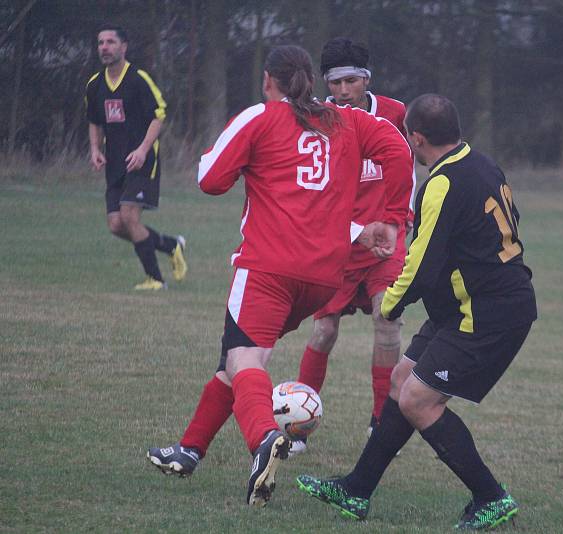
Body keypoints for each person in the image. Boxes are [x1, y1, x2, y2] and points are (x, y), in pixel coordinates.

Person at [146, 45, 412, 507]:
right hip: (323, 276)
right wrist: (391, 217)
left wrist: (246, 163)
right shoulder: (346, 120)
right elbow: (397, 150)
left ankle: (264, 438)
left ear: (268, 80)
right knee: (235, 358)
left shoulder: (263, 116)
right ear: (315, 79)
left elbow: (208, 179)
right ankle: (188, 450)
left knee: (244, 361)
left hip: (268, 267)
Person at [296, 94, 537, 530]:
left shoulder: (440, 185)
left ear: (416, 138)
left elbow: (421, 265)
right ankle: (356, 490)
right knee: (401, 381)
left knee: (419, 400)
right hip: (465, 307)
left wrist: (388, 304)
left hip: (487, 313)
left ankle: (491, 496)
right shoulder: (482, 163)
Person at [293, 38, 416, 454]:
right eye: (335, 83)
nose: (343, 91)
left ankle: (381, 421)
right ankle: (298, 423)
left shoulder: (397, 115)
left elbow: (415, 165)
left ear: (366, 79)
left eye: (351, 81)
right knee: (324, 330)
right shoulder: (317, 120)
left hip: (387, 238)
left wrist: (403, 221)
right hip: (338, 242)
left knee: (387, 320)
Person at [85, 25, 186, 290]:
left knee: (130, 218)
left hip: (142, 161)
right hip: (115, 164)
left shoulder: (138, 79)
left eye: (110, 42)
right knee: (116, 225)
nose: (104, 47)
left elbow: (159, 114)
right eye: (100, 43)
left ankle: (156, 280)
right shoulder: (95, 85)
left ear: (124, 47)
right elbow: (94, 121)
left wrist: (143, 149)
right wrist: (95, 149)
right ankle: (170, 245)